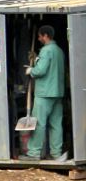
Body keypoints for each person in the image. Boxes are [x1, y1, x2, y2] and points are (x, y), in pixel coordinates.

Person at [25, 27, 67, 162]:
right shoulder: (59, 51)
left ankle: (34, 152)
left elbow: (41, 70)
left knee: (39, 123)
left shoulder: (46, 50)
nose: (38, 39)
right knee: (56, 124)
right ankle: (56, 153)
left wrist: (31, 70)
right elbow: (51, 67)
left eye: (40, 36)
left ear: (46, 36)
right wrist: (37, 58)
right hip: (57, 92)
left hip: (44, 93)